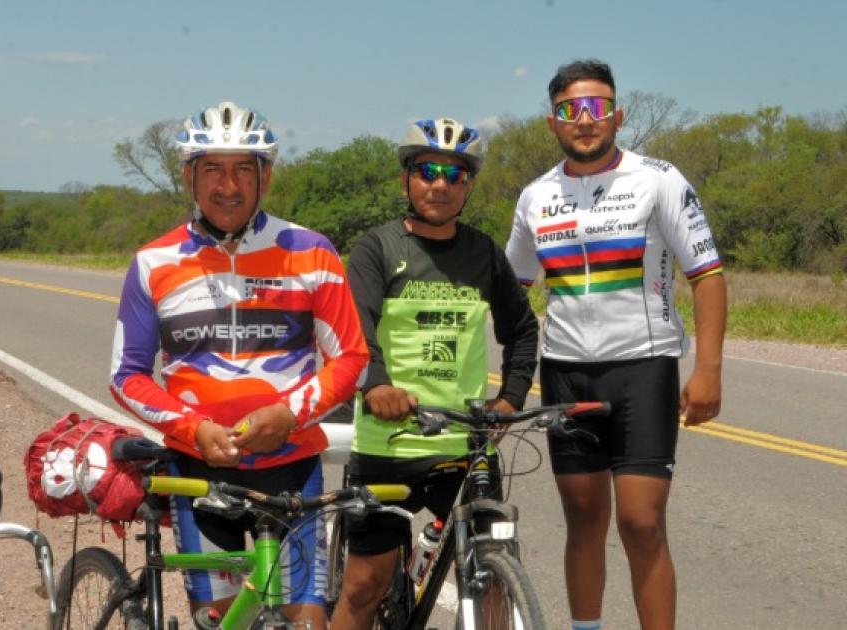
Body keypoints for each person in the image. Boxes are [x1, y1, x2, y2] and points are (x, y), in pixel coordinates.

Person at [109, 101, 369, 627]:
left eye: (243, 169)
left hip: (292, 469)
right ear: (189, 175)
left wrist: (289, 415)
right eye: (212, 169)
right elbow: (126, 375)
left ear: (265, 176)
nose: (228, 185)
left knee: (305, 621)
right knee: (220, 620)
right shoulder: (153, 263)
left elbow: (351, 360)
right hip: (198, 472)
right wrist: (193, 428)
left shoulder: (313, 253)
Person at [505, 60, 728, 630]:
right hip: (565, 373)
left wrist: (708, 370)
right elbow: (511, 292)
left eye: (597, 107)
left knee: (641, 522)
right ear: (552, 122)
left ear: (618, 115)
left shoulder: (658, 178)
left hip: (643, 369)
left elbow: (707, 274)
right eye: (570, 110)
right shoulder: (535, 197)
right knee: (582, 520)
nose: (585, 119)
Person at [329, 119, 539, 629]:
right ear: (406, 179)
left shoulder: (483, 253)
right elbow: (355, 332)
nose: (440, 185)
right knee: (365, 586)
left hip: (465, 444)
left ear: (468, 186)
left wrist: (511, 398)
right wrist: (378, 385)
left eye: (454, 175)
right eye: (427, 171)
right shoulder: (377, 249)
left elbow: (522, 329)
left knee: (490, 568)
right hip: (390, 441)